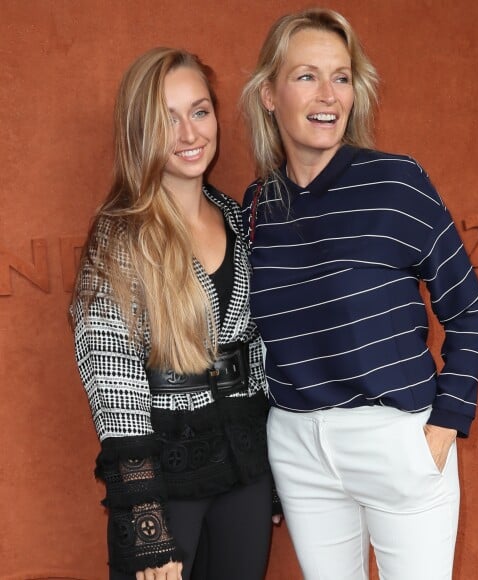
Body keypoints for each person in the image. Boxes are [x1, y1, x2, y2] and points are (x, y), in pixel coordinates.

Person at [240, 8, 478, 580]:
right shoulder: (258, 206)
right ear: (269, 95)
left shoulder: (397, 184)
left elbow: (471, 307)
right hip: (299, 448)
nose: (327, 93)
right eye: (306, 75)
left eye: (342, 76)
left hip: (396, 441)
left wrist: (442, 427)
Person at [71, 47, 272, 580]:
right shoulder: (119, 237)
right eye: (168, 118)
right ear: (140, 130)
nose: (189, 133)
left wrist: (268, 471)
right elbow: (113, 381)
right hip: (165, 481)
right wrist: (145, 521)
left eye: (199, 111)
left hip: (245, 474)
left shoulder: (237, 215)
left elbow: (258, 350)